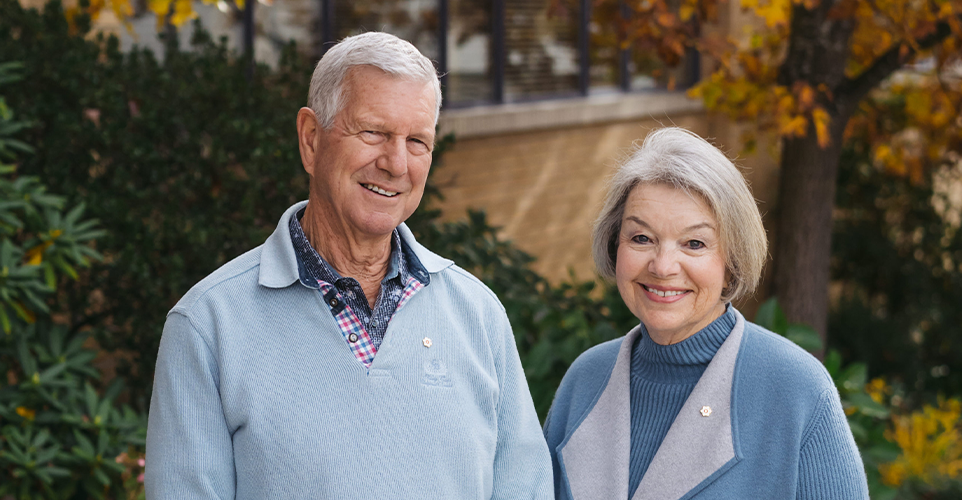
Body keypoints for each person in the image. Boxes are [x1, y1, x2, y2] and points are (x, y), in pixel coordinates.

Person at [146, 31, 553, 499]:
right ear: (311, 139)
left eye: (417, 141)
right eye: (374, 132)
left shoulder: (478, 314)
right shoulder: (207, 325)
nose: (396, 163)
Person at [543, 127, 869, 499]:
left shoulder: (796, 390)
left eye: (694, 243)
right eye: (641, 238)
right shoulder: (585, 379)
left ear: (732, 260)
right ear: (615, 245)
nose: (663, 266)